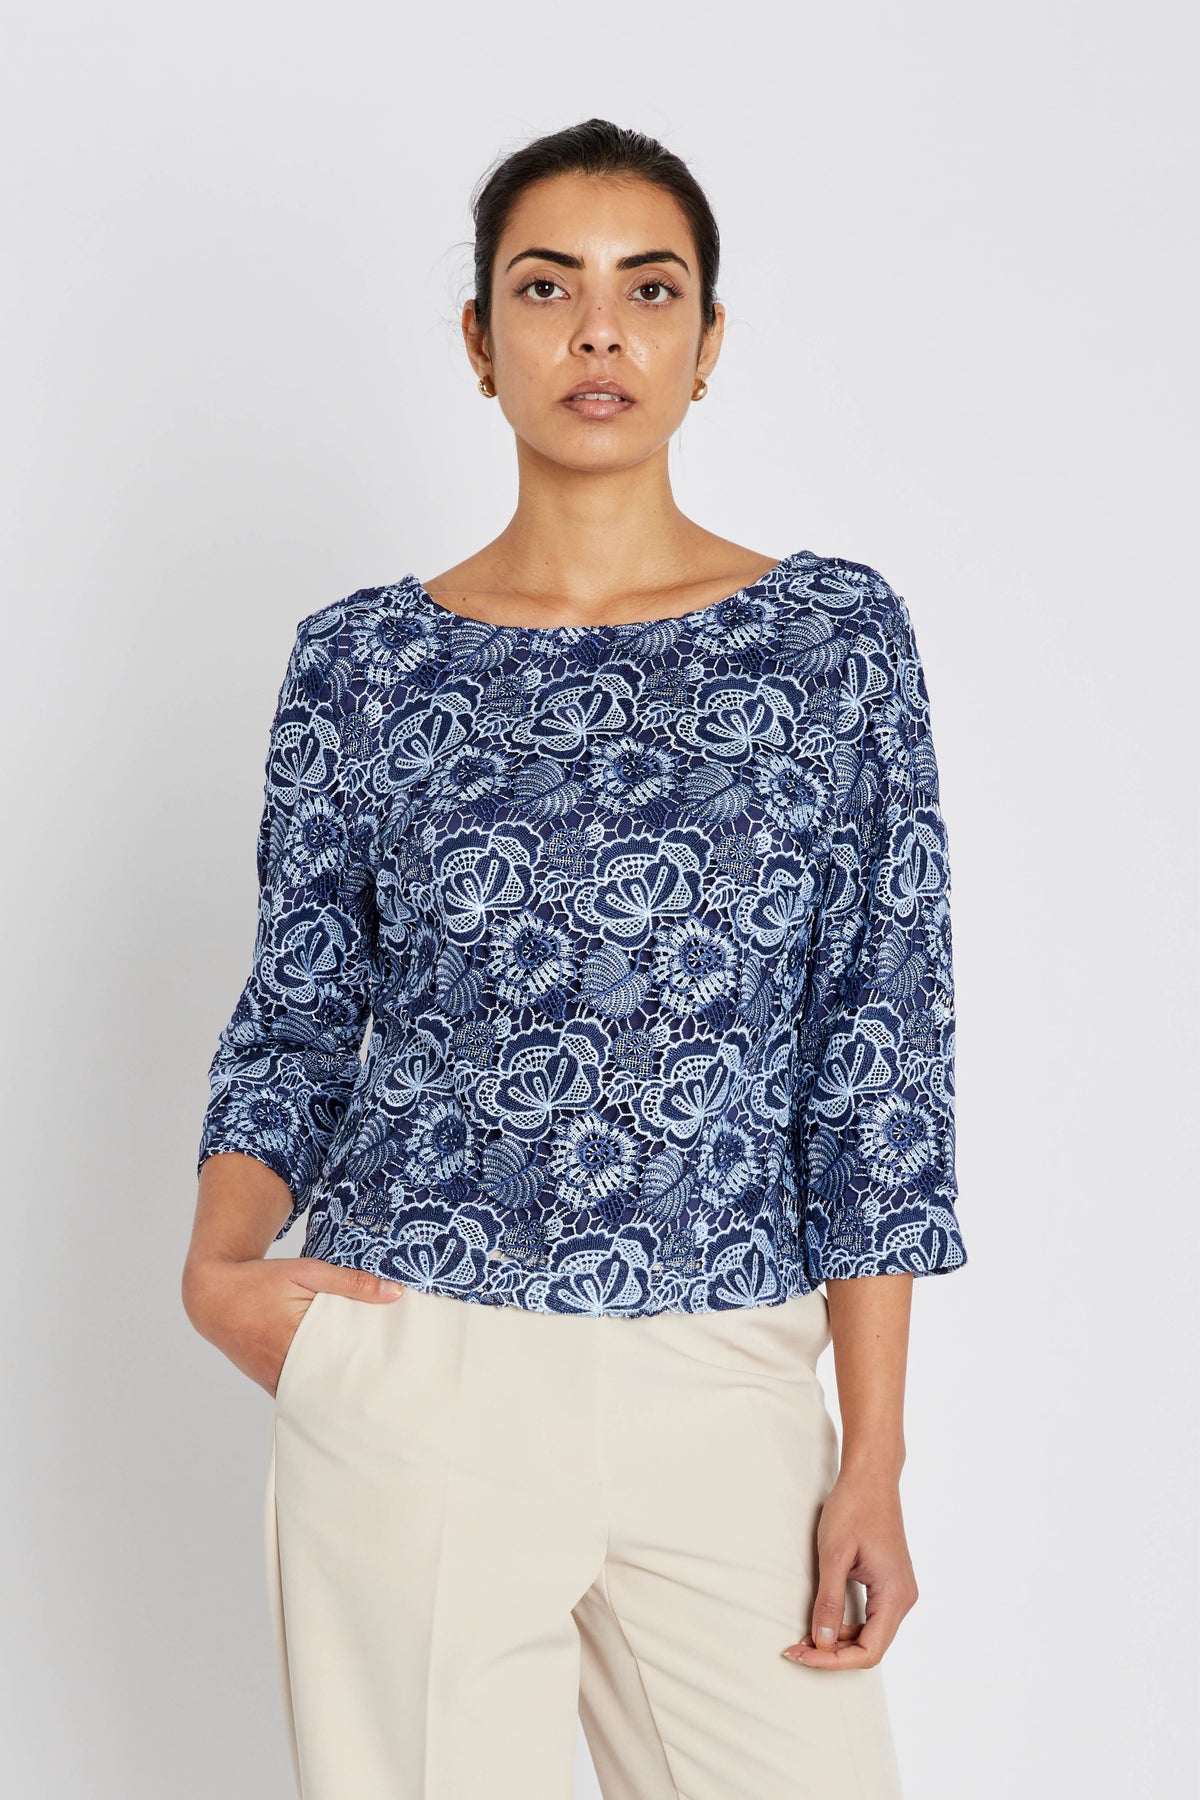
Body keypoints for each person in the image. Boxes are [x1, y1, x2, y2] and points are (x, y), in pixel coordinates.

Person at [181, 116, 968, 1799]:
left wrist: (874, 1454)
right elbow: (301, 1007)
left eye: (648, 289)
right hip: (419, 1360)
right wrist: (221, 1268)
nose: (598, 331)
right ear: (482, 342)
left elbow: (879, 1053)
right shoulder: (361, 666)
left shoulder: (833, 645)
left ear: (708, 341)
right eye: (547, 289)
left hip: (727, 1373)